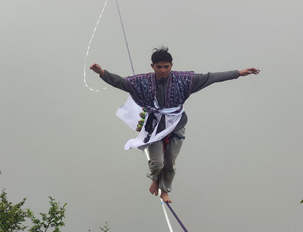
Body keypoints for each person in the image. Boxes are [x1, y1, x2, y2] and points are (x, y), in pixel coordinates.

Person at [89, 47, 259, 204]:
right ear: (152, 66)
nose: (163, 71)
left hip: (176, 124)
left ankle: (165, 190)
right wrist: (102, 73)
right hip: (154, 126)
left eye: (166, 67)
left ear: (171, 65)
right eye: (159, 67)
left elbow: (211, 77)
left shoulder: (184, 80)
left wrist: (238, 73)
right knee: (157, 163)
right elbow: (121, 82)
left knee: (170, 163)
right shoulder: (143, 81)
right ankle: (155, 179)